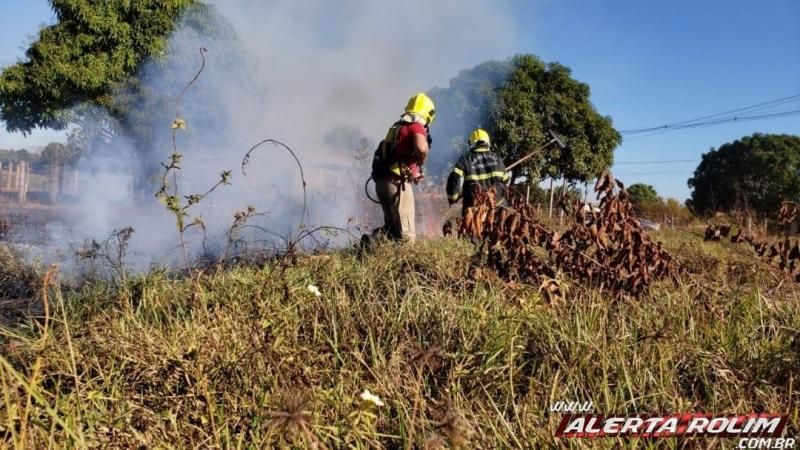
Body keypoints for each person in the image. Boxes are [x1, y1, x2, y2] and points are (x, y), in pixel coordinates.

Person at [368, 92, 435, 242]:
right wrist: (421, 161)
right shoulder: (416, 126)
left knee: (392, 230)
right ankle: (406, 264)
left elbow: (397, 156)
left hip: (382, 183)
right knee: (406, 236)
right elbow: (422, 148)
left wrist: (414, 171)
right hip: (397, 184)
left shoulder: (398, 126)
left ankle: (371, 243)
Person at [446, 128, 509, 213]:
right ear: (488, 142)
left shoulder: (465, 159)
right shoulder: (497, 158)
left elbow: (454, 179)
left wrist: (452, 198)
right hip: (497, 207)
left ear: (471, 144)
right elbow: (506, 181)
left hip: (474, 208)